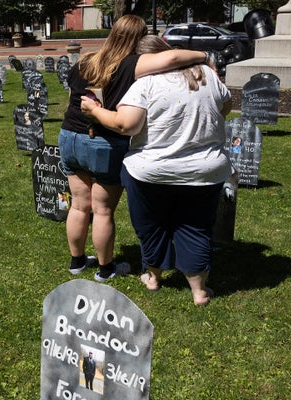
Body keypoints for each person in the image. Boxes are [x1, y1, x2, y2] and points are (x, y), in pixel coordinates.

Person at [81, 35, 232, 305]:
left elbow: (126, 125)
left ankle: (153, 278)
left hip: (151, 171)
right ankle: (199, 292)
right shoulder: (207, 75)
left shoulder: (145, 83)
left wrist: (94, 111)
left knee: (152, 225)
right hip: (205, 170)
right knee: (196, 226)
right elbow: (225, 107)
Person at [59, 14, 211, 282]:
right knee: (103, 209)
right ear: (139, 38)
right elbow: (173, 58)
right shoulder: (132, 64)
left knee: (80, 206)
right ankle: (105, 269)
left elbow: (72, 97)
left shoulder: (85, 60)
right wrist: (203, 54)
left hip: (69, 135)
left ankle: (77, 261)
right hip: (104, 142)